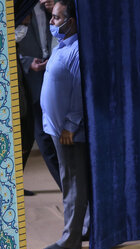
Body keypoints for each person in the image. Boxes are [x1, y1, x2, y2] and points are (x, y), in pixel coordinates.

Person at [40, 0, 86, 249]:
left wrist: (70, 125)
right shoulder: (60, 46)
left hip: (69, 131)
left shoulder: (78, 50)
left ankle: (71, 237)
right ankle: (84, 227)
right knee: (71, 180)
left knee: (73, 183)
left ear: (72, 21)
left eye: (57, 18)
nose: (51, 21)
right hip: (55, 127)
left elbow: (80, 92)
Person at [16, 1, 61, 190]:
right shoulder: (18, 7)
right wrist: (27, 63)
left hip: (55, 67)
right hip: (29, 76)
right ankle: (64, 183)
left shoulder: (52, 5)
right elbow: (9, 44)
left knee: (51, 132)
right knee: (38, 133)